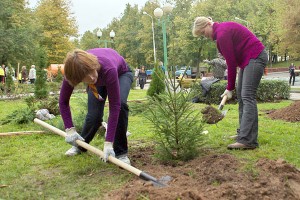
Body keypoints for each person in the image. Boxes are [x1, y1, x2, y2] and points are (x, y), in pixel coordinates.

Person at [192, 17, 268, 150]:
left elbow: (231, 63)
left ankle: (248, 140)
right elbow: (232, 61)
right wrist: (231, 88)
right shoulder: (221, 33)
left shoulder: (222, 34)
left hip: (255, 56)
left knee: (247, 96)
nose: (206, 36)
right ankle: (243, 134)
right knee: (242, 96)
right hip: (248, 59)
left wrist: (229, 87)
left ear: (209, 24)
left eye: (204, 32)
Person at [59, 48, 133, 165]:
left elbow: (115, 106)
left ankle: (121, 153)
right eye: (86, 77)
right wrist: (69, 129)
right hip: (100, 77)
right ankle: (80, 146)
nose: (92, 77)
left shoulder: (107, 68)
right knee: (94, 116)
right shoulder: (73, 72)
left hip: (120, 74)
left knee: (122, 105)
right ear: (77, 77)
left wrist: (108, 142)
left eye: (91, 72)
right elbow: (63, 101)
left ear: (93, 65)